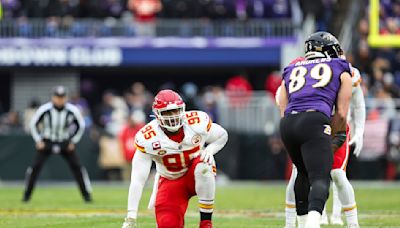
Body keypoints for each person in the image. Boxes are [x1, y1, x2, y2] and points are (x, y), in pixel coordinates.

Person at [277, 32, 353, 228]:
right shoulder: (341, 67)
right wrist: (333, 133)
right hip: (315, 120)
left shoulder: (291, 68)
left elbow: (281, 102)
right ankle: (312, 223)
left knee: (301, 172)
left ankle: (302, 224)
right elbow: (342, 114)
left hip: (288, 124)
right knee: (320, 176)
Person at [122, 89, 228, 228]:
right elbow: (137, 180)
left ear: (182, 109)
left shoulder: (196, 123)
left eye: (176, 110)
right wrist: (131, 216)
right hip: (171, 181)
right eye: (167, 112)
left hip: (195, 174)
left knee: (204, 164)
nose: (172, 116)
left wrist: (209, 150)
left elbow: (222, 135)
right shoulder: (148, 137)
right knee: (167, 224)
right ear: (157, 114)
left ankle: (205, 222)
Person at [23, 86, 92, 203]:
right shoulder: (45, 109)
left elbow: (81, 125)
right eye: (57, 97)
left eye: (62, 97)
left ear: (66, 98)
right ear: (53, 97)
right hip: (47, 141)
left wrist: (73, 141)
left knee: (78, 168)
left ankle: (87, 195)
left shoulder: (72, 110)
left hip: (65, 141)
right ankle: (26, 195)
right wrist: (39, 140)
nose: (60, 100)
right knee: (35, 168)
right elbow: (33, 124)